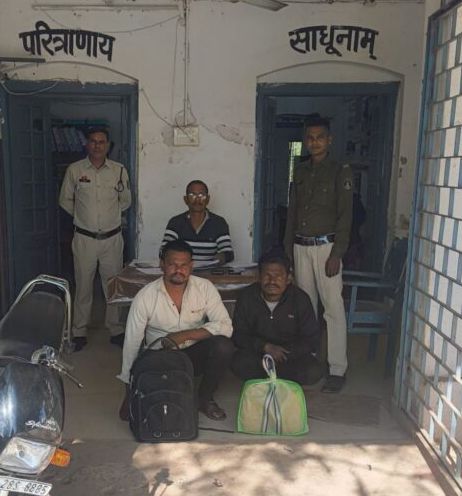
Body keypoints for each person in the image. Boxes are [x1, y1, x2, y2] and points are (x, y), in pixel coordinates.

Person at [118, 239, 234, 421]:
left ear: (191, 266)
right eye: (172, 264)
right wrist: (129, 390)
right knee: (167, 406)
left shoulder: (204, 288)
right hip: (161, 357)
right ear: (162, 265)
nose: (179, 270)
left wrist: (184, 335)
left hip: (194, 354)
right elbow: (132, 342)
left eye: (184, 265)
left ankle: (205, 399)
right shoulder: (146, 296)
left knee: (223, 346)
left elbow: (226, 326)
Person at [284, 115, 353, 393]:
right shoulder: (300, 171)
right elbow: (292, 213)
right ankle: (309, 361)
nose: (314, 142)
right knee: (306, 308)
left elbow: (345, 215)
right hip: (300, 246)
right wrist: (288, 252)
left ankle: (337, 368)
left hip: (327, 248)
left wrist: (337, 253)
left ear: (329, 140)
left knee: (333, 309)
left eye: (320, 137)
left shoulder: (339, 171)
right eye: (310, 138)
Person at [59, 128, 132, 352]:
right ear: (87, 144)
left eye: (102, 142)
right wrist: (84, 217)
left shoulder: (119, 170)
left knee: (112, 286)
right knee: (83, 285)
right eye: (93, 141)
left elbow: (125, 201)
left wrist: (108, 218)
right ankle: (79, 331)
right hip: (84, 238)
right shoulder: (75, 170)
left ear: (108, 145)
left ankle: (115, 329)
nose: (97, 146)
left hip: (112, 238)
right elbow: (65, 200)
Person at [231, 250, 323, 385]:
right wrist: (265, 347)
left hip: (289, 356)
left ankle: (273, 380)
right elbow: (238, 334)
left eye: (278, 276)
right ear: (259, 277)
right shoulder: (247, 296)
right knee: (239, 363)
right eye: (267, 275)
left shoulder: (300, 299)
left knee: (313, 371)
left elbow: (311, 338)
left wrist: (285, 353)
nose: (272, 281)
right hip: (259, 354)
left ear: (288, 278)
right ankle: (274, 379)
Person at [160, 180, 234, 265]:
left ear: (208, 199)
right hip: (182, 270)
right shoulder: (176, 222)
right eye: (192, 195)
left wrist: (221, 257)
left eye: (202, 195)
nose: (197, 200)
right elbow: (163, 251)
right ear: (186, 199)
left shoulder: (219, 223)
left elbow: (228, 253)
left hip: (210, 271)